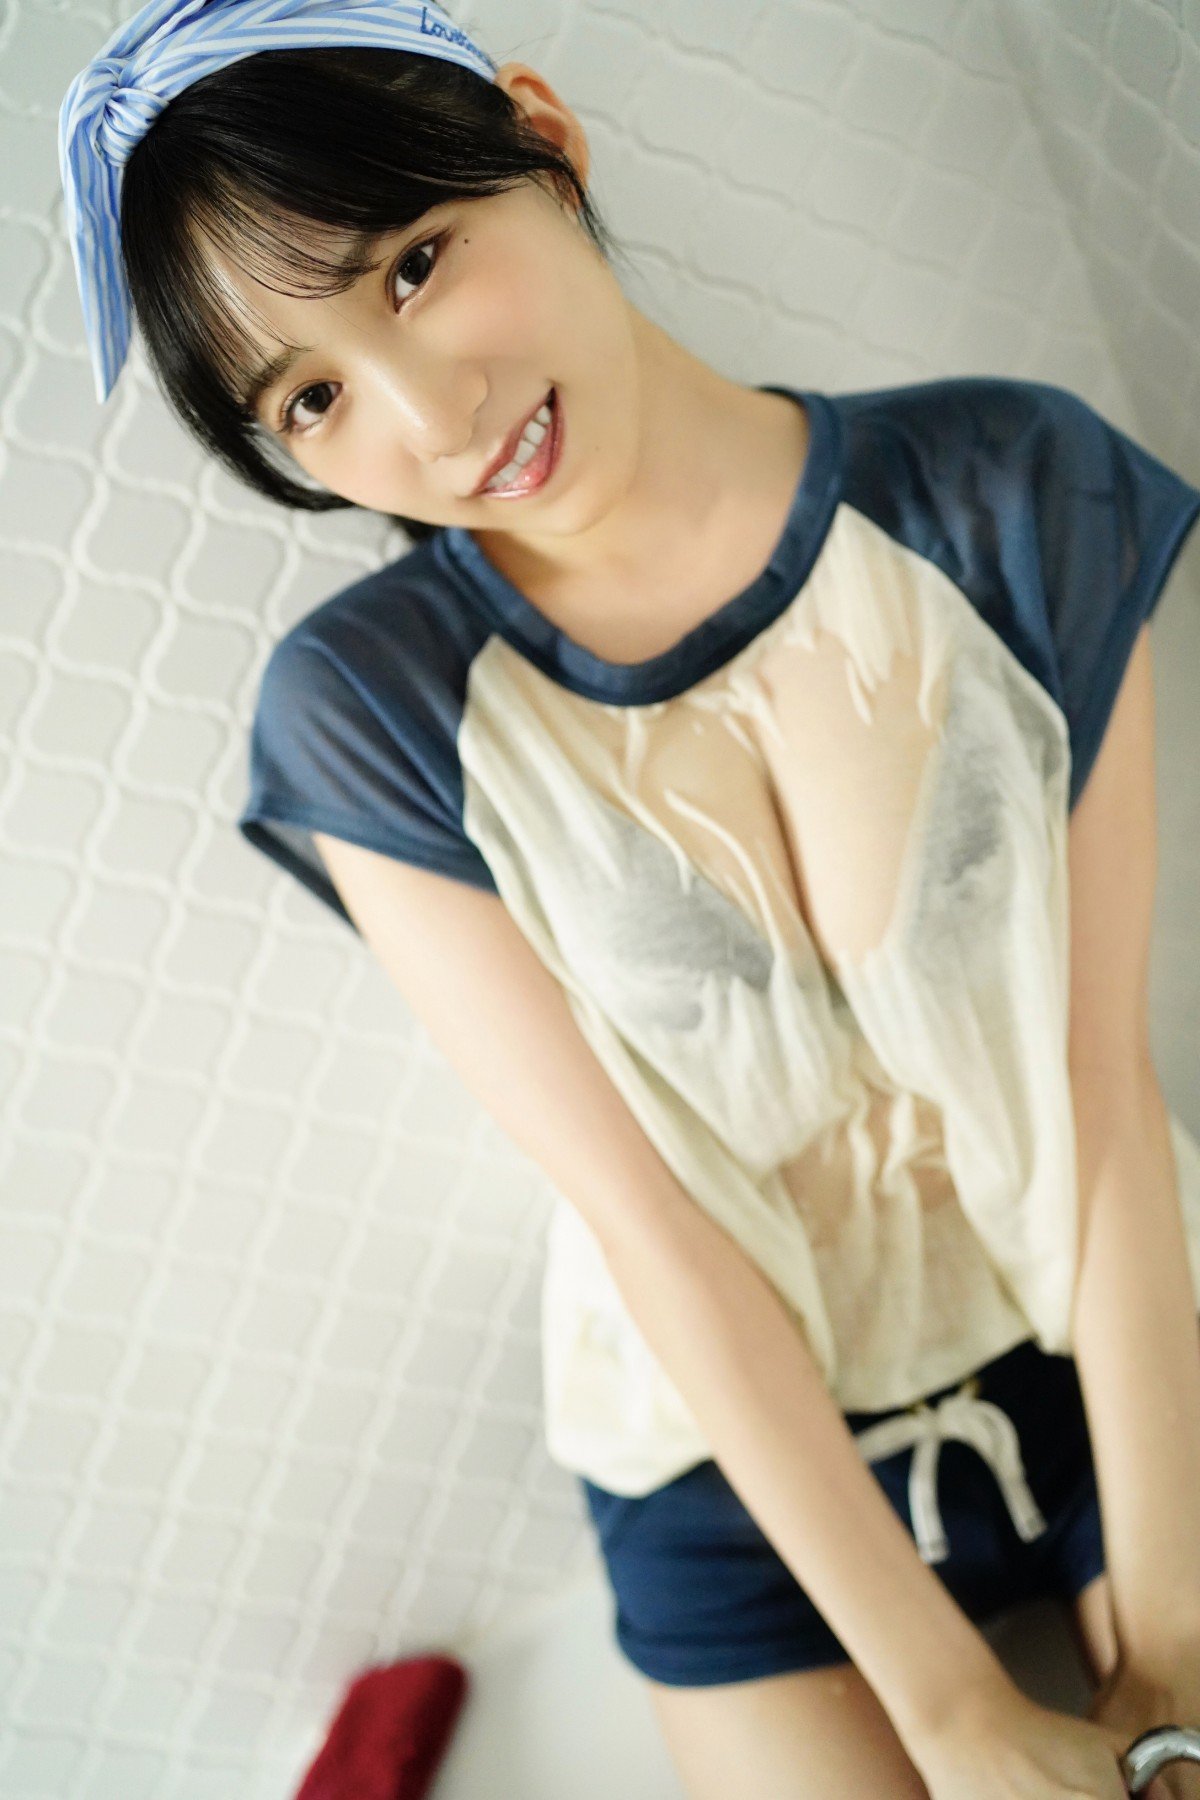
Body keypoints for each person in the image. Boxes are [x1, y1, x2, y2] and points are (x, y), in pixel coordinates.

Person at [59, 5, 1200, 1796]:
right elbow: (654, 1222)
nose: (432, 419)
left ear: (544, 138)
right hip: (735, 1466)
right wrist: (950, 1710)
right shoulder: (373, 714)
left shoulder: (1008, 491)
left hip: (1106, 1333)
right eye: (313, 399)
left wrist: (1176, 1655)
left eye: (415, 265)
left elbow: (1101, 1095)